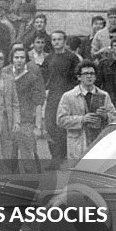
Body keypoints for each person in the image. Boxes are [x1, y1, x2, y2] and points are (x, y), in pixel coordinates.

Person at [57, 60, 116, 163]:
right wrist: (82, 119)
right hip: (78, 143)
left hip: (98, 142)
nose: (89, 76)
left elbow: (114, 118)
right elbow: (60, 120)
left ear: (95, 76)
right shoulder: (68, 96)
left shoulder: (104, 95)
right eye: (85, 74)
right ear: (79, 77)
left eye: (92, 74)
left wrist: (106, 116)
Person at [42, 30, 80, 169]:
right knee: (50, 126)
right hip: (52, 95)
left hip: (67, 95)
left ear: (64, 41)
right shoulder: (48, 59)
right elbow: (44, 78)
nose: (56, 42)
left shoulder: (72, 58)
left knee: (63, 126)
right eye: (54, 40)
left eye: (59, 39)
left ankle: (59, 158)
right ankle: (55, 155)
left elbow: (76, 78)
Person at [5, 46, 45, 174]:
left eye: (22, 57)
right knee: (9, 156)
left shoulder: (32, 77)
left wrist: (38, 126)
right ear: (12, 59)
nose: (19, 60)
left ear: (26, 60)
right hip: (8, 121)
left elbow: (38, 102)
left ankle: (33, 182)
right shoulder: (5, 74)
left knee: (28, 156)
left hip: (26, 121)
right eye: (16, 57)